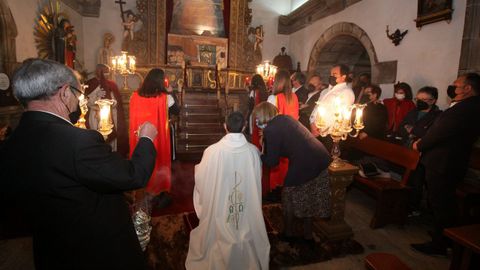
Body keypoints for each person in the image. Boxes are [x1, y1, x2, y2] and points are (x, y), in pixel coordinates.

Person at [0, 58, 157, 269]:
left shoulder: (12, 142)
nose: (78, 102)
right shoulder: (78, 142)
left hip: (51, 249)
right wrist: (146, 138)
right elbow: (134, 174)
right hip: (96, 252)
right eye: (77, 94)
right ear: (65, 93)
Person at [186, 112, 270, 270]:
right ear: (244, 127)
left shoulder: (212, 151)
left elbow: (202, 178)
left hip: (220, 205)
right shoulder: (253, 151)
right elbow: (256, 180)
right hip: (246, 207)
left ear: (225, 126)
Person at [411, 73, 480, 256]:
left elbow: (440, 132)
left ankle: (440, 244)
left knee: (441, 203)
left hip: (444, 162)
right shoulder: (468, 106)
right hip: (446, 160)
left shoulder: (467, 108)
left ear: (467, 88)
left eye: (456, 85)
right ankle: (442, 234)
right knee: (440, 202)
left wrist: (420, 144)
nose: (453, 87)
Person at [254, 102, 331, 246]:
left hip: (306, 163)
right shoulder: (285, 119)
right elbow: (289, 146)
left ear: (263, 115)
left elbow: (272, 162)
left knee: (288, 195)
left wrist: (259, 152)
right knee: (309, 197)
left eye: (257, 117)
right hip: (320, 156)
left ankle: (288, 234)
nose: (256, 121)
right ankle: (308, 235)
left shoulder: (271, 129)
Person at [129, 68, 179, 200]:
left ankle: (141, 186)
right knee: (158, 161)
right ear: (161, 82)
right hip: (158, 137)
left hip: (140, 137)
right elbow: (177, 111)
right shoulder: (165, 98)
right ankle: (158, 190)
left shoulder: (134, 96)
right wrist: (172, 93)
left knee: (142, 160)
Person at [85, 64, 128, 157]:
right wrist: (96, 95)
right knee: (97, 137)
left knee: (111, 138)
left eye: (108, 72)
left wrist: (112, 102)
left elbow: (116, 101)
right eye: (105, 72)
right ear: (98, 71)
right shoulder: (90, 83)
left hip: (111, 114)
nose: (107, 74)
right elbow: (86, 101)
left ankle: (111, 156)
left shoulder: (111, 84)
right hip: (95, 115)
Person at [266, 69, 299, 190]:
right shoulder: (294, 96)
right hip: (293, 135)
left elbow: (268, 119)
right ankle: (287, 186)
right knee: (288, 163)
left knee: (276, 163)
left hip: (278, 136)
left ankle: (275, 188)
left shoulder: (273, 98)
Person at [310, 64, 355, 137]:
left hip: (331, 133)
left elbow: (340, 116)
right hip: (316, 129)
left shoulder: (346, 92)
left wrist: (321, 128)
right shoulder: (325, 91)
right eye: (330, 74)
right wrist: (312, 122)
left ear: (343, 77)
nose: (331, 77)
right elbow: (317, 107)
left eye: (334, 74)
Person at [247, 74, 269, 149]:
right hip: (264, 115)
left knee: (254, 135)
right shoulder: (265, 91)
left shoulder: (253, 92)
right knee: (261, 136)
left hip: (255, 115)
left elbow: (250, 106)